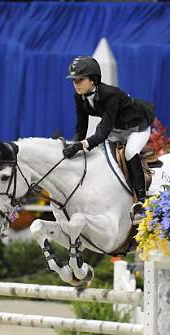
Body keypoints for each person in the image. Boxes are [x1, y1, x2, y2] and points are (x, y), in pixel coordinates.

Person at [62, 56, 155, 223]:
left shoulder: (110, 94)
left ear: (93, 80)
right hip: (116, 130)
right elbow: (81, 126)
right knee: (101, 157)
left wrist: (81, 145)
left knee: (130, 152)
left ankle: (142, 202)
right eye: (74, 80)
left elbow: (103, 130)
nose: (76, 83)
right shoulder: (80, 96)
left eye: (80, 79)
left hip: (137, 127)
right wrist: (74, 144)